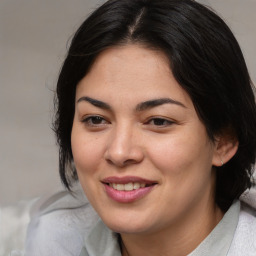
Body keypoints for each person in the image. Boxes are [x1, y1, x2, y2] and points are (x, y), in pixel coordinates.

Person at [24, 0, 256, 255]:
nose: (120, 152)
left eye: (158, 121)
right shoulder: (45, 242)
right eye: (96, 119)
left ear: (224, 140)